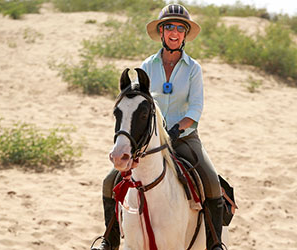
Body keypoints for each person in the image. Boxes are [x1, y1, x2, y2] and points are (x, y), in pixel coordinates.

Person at [94, 4, 224, 250]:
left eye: (179, 28)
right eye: (169, 27)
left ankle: (215, 243)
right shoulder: (148, 65)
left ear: (185, 35)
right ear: (161, 32)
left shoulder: (193, 69)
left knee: (210, 180)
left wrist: (176, 129)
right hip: (149, 140)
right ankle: (108, 240)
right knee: (110, 181)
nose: (174, 32)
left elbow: (195, 108)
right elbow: (140, 104)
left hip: (185, 138)